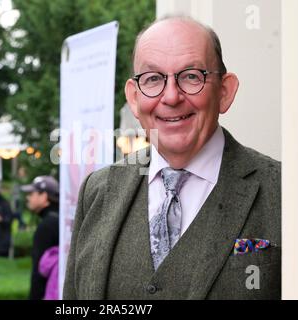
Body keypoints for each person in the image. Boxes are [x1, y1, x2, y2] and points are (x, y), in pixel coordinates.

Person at [63, 15, 281, 300]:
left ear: (225, 92)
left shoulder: (285, 191)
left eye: (191, 76)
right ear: (134, 98)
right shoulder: (98, 191)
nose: (171, 96)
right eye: (153, 79)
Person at [21, 175, 59, 300]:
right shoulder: (63, 220)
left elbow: (39, 271)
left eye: (32, 194)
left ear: (44, 196)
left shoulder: (46, 226)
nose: (28, 198)